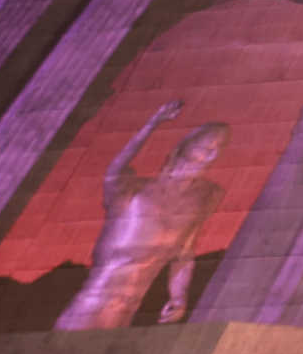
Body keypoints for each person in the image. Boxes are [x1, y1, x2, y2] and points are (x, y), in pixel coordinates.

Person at [55, 99, 224, 330]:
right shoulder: (132, 194)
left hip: (127, 312)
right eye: (206, 146)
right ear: (187, 147)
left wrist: (179, 298)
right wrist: (152, 124)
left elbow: (185, 254)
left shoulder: (200, 201)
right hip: (92, 307)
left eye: (218, 149)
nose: (212, 155)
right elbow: (116, 168)